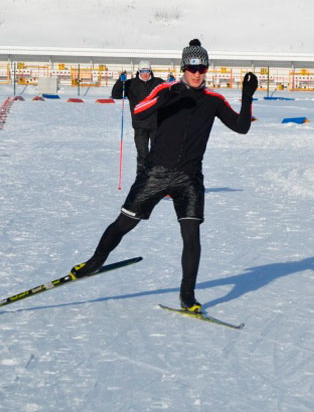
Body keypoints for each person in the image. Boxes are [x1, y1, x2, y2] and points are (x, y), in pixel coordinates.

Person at [70, 39, 258, 313]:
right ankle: (94, 262)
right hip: (155, 173)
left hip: (189, 178)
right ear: (183, 68)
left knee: (191, 235)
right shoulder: (166, 89)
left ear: (206, 70)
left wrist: (247, 96)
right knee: (124, 223)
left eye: (202, 68)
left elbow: (241, 128)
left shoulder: (213, 101)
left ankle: (187, 296)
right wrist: (165, 98)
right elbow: (139, 111)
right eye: (192, 68)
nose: (197, 73)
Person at [112, 61, 166, 174]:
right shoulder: (131, 84)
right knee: (143, 154)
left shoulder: (158, 83)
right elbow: (116, 95)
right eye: (142, 71)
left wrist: (172, 84)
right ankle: (142, 179)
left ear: (150, 71)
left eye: (147, 71)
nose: (145, 74)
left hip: (156, 124)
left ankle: (157, 180)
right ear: (139, 71)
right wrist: (120, 82)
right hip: (140, 125)